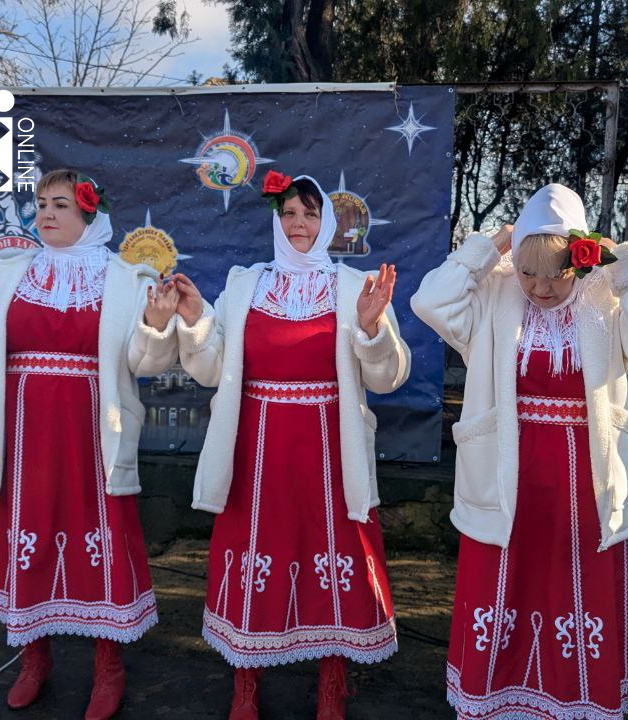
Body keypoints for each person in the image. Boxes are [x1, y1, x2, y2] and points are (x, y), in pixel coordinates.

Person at [0, 169, 178, 720]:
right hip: (25, 433)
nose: (47, 213)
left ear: (89, 216)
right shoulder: (9, 272)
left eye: (62, 205)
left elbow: (143, 361)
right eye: (43, 203)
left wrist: (154, 324)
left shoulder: (126, 279)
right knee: (31, 536)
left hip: (92, 433)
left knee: (100, 535)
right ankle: (33, 658)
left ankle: (108, 666)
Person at [412, 184, 628, 719]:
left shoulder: (607, 297)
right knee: (507, 587)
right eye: (528, 271)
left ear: (580, 260)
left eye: (556, 273)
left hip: (586, 481)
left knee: (577, 592)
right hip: (506, 477)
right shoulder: (493, 293)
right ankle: (500, 701)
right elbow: (429, 302)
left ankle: (579, 699)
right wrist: (491, 245)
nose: (540, 287)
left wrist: (623, 259)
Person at [170, 172, 409, 719]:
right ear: (277, 222)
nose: (299, 224)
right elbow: (211, 370)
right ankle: (246, 681)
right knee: (257, 553)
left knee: (336, 556)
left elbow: (389, 376)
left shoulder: (354, 287)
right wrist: (197, 319)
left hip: (329, 450)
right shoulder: (245, 285)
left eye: (309, 213)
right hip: (257, 449)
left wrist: (372, 330)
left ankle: (332, 682)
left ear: (327, 223)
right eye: (289, 214)